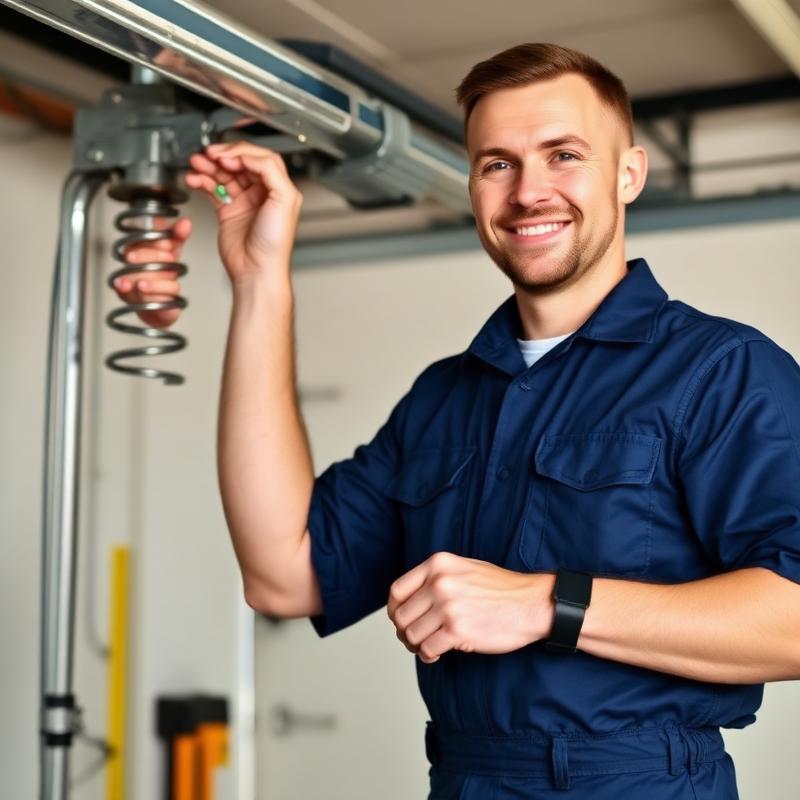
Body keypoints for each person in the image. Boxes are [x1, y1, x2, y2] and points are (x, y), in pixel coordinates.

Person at [115, 43, 800, 799]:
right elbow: (284, 574)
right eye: (497, 163)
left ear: (628, 173)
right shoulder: (445, 397)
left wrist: (547, 603)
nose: (529, 192)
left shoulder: (720, 370)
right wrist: (260, 281)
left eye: (563, 154)